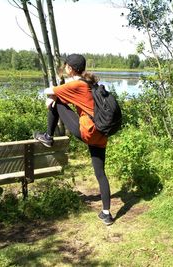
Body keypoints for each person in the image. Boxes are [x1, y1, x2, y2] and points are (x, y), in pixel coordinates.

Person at [34, 54, 114, 226]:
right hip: (101, 133)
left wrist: (52, 95)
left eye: (66, 66)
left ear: (70, 68)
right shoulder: (91, 84)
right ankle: (106, 214)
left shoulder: (76, 84)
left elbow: (48, 92)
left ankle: (48, 136)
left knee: (57, 102)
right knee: (100, 173)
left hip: (88, 131)